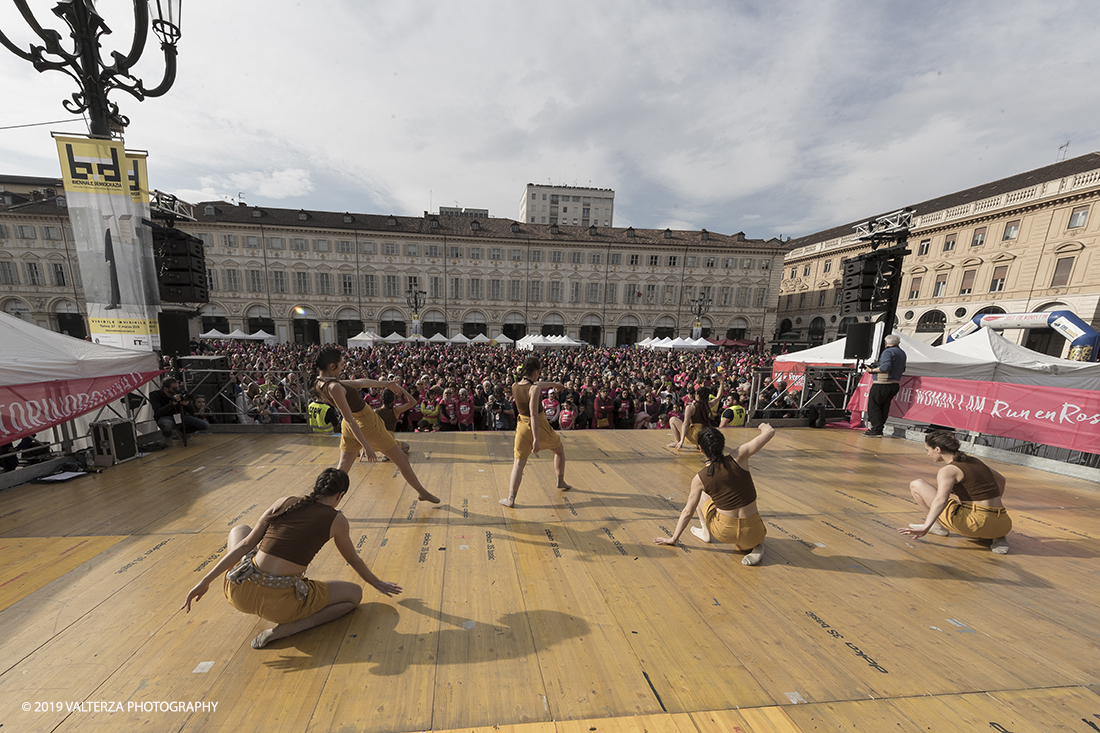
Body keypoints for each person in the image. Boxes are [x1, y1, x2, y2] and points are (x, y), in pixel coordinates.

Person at [181, 468, 402, 649]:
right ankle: (285, 630)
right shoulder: (337, 520)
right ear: (340, 495)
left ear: (316, 487)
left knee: (240, 530)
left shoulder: (284, 502)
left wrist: (205, 581)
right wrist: (376, 582)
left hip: (239, 591)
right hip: (282, 606)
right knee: (354, 595)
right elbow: (352, 558)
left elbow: (246, 545)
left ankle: (262, 593)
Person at [311, 345, 439, 504]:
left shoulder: (322, 382)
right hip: (366, 424)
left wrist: (386, 384)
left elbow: (358, 383)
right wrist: (366, 446)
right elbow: (351, 418)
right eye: (342, 364)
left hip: (351, 427)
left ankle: (323, 500)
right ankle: (422, 492)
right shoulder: (334, 386)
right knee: (401, 459)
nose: (343, 367)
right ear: (332, 366)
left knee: (342, 467)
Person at [655, 425, 773, 565]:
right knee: (753, 535)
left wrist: (673, 538)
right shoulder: (740, 455)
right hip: (753, 531)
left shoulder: (700, 478)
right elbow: (770, 432)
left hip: (723, 532)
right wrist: (762, 426)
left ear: (700, 449)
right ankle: (756, 546)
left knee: (699, 494)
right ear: (723, 444)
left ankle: (706, 532)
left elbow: (687, 511)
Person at [898, 431, 1011, 554]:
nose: (928, 454)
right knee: (973, 510)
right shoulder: (975, 461)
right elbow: (1002, 480)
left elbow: (941, 500)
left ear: (938, 449)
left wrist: (925, 527)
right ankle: (997, 536)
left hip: (975, 524)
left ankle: (936, 527)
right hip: (1004, 524)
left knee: (917, 484)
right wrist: (993, 505)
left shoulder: (948, 470)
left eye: (928, 450)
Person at [500, 356, 573, 508]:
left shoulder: (515, 385)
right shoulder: (535, 389)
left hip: (521, 427)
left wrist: (554, 384)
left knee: (518, 464)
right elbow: (534, 414)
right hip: (538, 425)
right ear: (536, 371)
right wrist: (536, 440)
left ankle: (511, 499)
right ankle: (560, 481)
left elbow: (535, 384)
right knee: (559, 451)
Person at [864, 334, 906, 436]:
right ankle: (879, 428)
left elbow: (885, 367)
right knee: (885, 406)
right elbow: (903, 368)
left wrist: (872, 370)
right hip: (895, 383)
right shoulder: (902, 353)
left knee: (874, 406)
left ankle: (876, 429)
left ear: (886, 343)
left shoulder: (888, 352)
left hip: (882, 382)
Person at [149, 377, 210, 443]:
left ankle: (183, 431)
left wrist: (186, 404)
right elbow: (158, 412)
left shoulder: (180, 393)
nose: (177, 389)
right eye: (174, 388)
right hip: (166, 417)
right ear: (165, 388)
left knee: (205, 425)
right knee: (166, 425)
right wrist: (172, 404)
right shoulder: (155, 395)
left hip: (181, 416)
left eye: (178, 387)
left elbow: (193, 412)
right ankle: (168, 435)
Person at [667, 383, 723, 452]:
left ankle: (677, 441)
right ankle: (700, 445)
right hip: (704, 434)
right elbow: (718, 397)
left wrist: (682, 440)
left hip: (694, 434)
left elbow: (685, 424)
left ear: (698, 396)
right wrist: (722, 383)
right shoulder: (708, 405)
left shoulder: (690, 407)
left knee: (672, 419)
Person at [375, 387, 414, 461]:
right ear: (393, 399)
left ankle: (387, 453)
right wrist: (402, 389)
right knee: (406, 447)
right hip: (390, 441)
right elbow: (413, 402)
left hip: (378, 441)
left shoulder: (376, 411)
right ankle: (390, 454)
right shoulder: (395, 411)